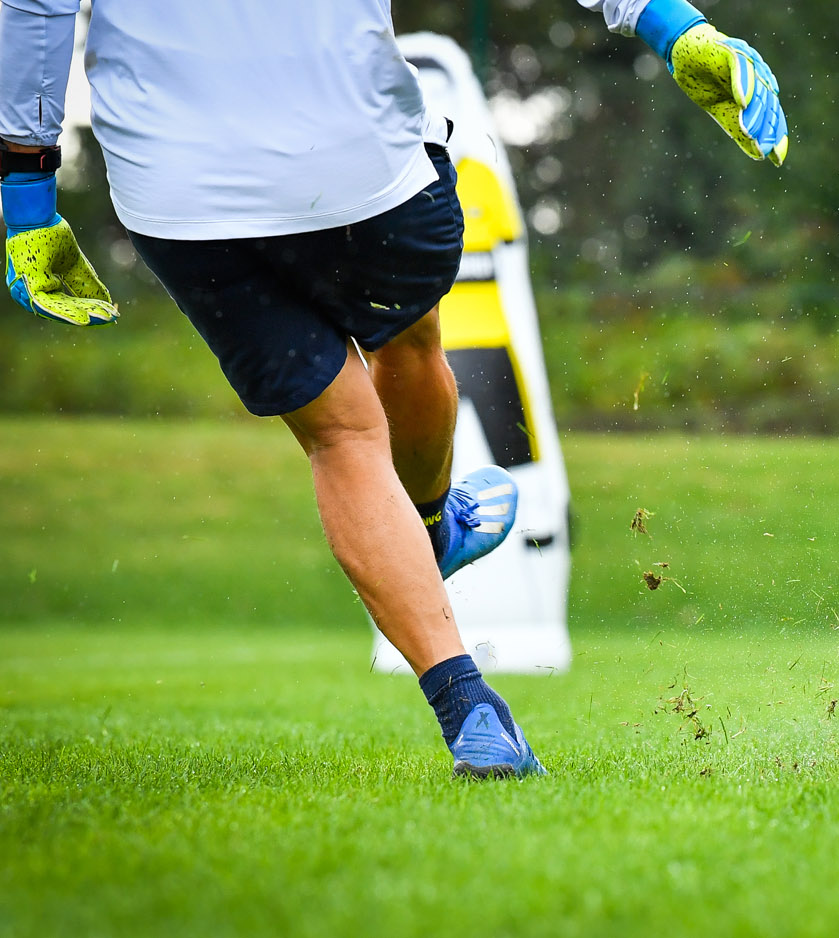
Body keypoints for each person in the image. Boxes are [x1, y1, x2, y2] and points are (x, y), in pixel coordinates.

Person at [0, 0, 788, 777]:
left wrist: (27, 196)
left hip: (178, 186)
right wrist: (671, 23)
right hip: (353, 152)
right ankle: (433, 527)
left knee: (341, 436)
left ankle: (471, 710)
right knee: (408, 342)